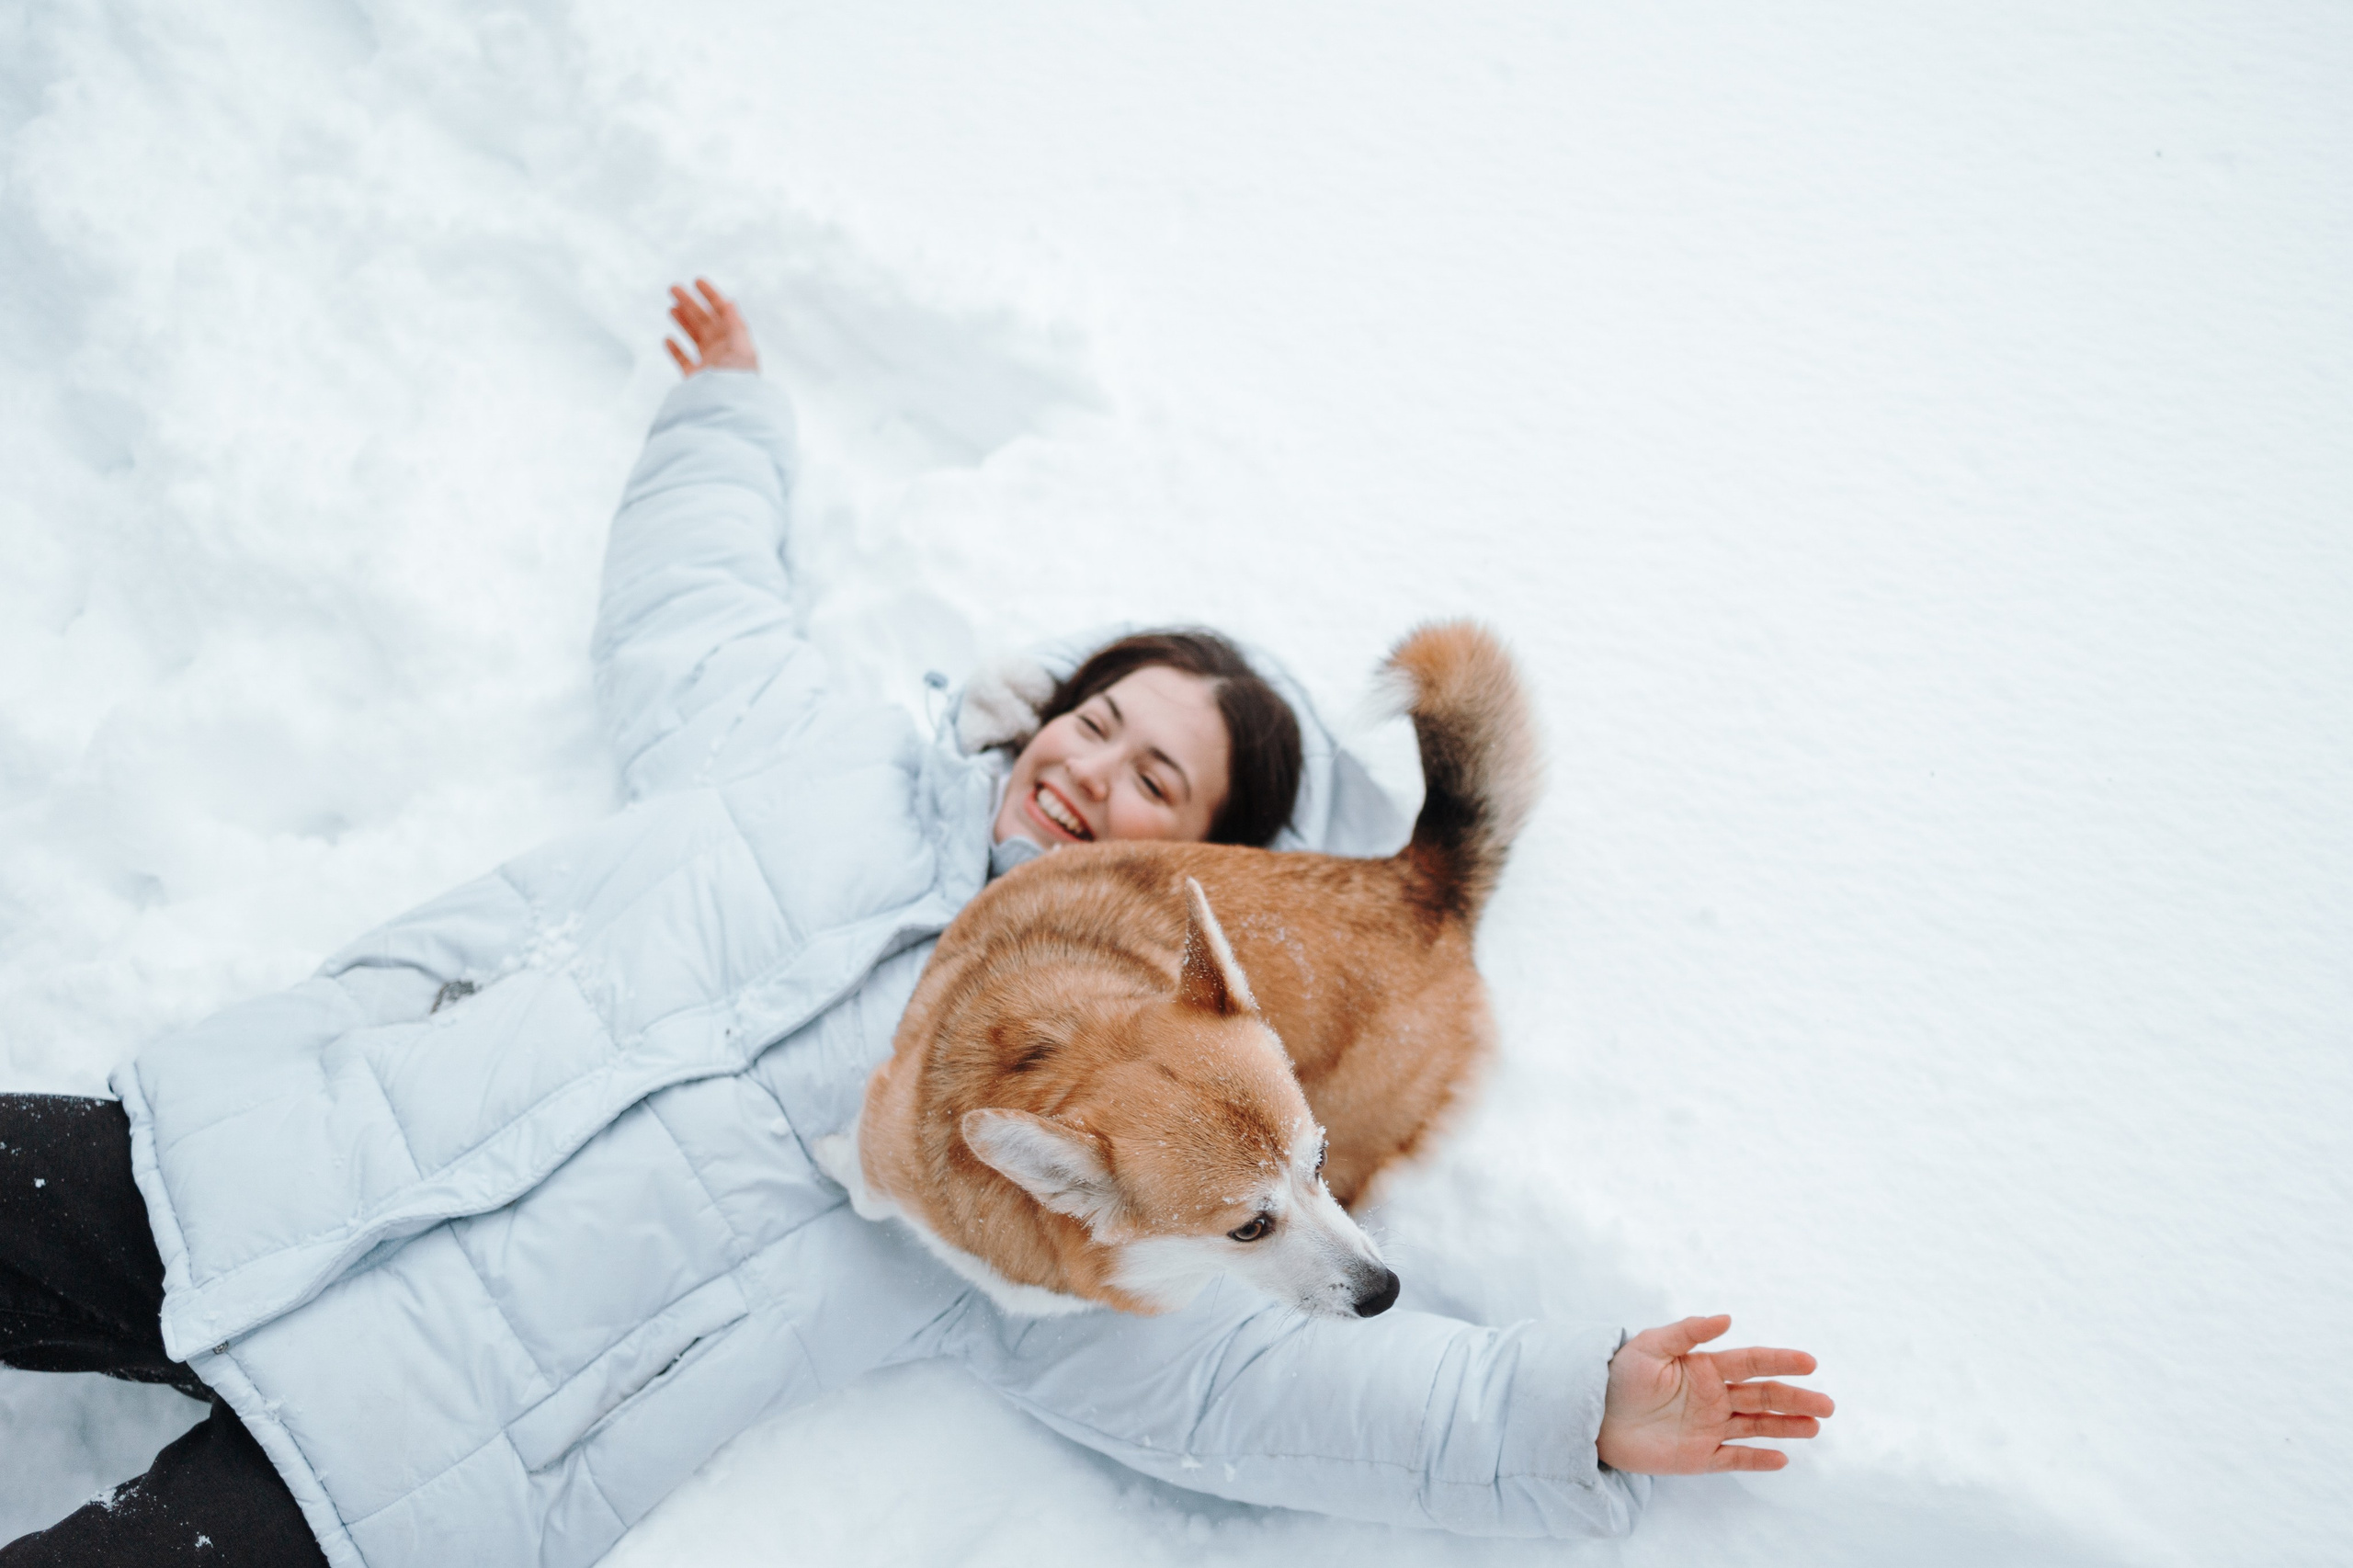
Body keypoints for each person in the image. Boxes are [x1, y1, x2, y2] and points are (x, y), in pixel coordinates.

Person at [0, 282, 1832, 1567]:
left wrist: (1555, 1411)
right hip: (263, 1177)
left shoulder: (1085, 1143)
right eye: (1094, 720)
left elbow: (1240, 1377)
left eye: (1152, 783)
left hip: (427, 1459)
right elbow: (694, 614)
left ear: (1198, 864)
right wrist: (727, 422)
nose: (1091, 772)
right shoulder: (817, 757)